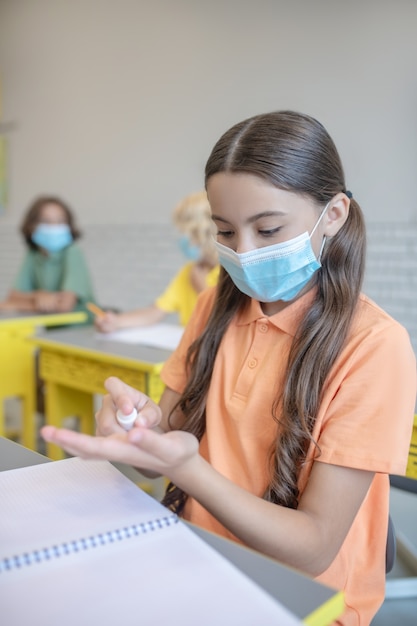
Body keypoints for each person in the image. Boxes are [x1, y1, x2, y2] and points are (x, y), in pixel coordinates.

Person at [42, 111, 416, 625]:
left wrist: (184, 468)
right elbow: (164, 450)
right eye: (225, 230)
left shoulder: (375, 346)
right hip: (196, 557)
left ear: (333, 215)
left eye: (268, 229)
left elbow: (313, 548)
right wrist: (138, 433)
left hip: (308, 601)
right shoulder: (213, 309)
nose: (243, 252)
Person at [94, 190, 219, 331]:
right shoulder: (189, 270)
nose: (183, 238)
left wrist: (202, 288)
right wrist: (116, 321)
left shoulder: (231, 274)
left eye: (189, 232)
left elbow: (228, 320)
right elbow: (154, 312)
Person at [0, 195, 96, 318]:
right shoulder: (33, 254)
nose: (54, 227)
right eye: (46, 221)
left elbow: (64, 306)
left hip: (81, 329)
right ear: (32, 225)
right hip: (50, 328)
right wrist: (38, 295)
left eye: (60, 221)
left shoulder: (73, 252)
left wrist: (19, 305)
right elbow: (12, 297)